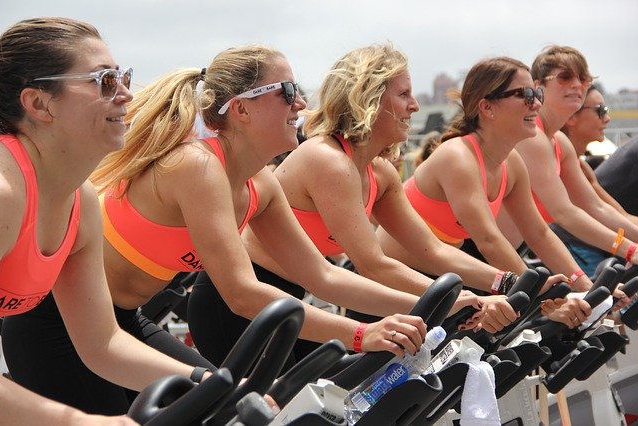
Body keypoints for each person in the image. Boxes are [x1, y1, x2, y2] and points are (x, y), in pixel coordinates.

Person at [87, 45, 436, 375]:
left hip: (123, 318)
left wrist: (441, 302)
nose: (299, 103)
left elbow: (323, 276)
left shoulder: (262, 185)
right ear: (241, 109)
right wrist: (361, 333)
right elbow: (241, 294)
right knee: (212, 405)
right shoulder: (197, 166)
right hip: (66, 317)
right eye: (286, 91)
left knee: (214, 404)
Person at [0, 17, 219, 425]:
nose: (127, 94)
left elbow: (102, 343)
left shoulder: (79, 199)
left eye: (123, 77)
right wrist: (77, 421)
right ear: (39, 103)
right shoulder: (3, 194)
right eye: (104, 81)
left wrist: (207, 381)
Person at [242, 43, 522, 339]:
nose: (414, 105)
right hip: (245, 301)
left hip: (294, 299)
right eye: (403, 95)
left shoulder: (380, 171)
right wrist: (461, 298)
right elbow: (373, 264)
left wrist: (508, 282)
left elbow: (435, 251)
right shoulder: (328, 160)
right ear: (369, 99)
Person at [376, 56, 597, 327]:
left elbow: (539, 234)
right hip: (392, 286)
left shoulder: (512, 163)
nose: (536, 103)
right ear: (487, 107)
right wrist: (536, 292)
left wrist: (585, 288)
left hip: (439, 284)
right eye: (524, 94)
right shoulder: (458, 156)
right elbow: (488, 240)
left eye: (536, 93)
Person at [501, 46, 638, 285]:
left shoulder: (559, 142)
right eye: (565, 77)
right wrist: (628, 249)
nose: (577, 84)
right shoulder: (533, 139)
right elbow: (564, 212)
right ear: (537, 86)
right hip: (475, 250)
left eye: (583, 78)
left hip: (508, 251)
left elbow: (596, 207)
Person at [551, 85, 638, 275]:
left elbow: (618, 214)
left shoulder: (582, 166)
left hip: (590, 244)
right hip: (572, 246)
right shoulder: (555, 161)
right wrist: (630, 248)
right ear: (571, 116)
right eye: (600, 111)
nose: (607, 118)